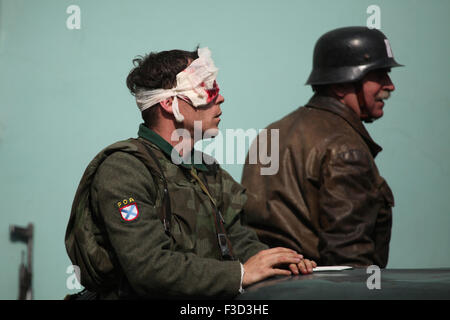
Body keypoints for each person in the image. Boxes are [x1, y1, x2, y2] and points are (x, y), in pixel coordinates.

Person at [65, 47, 316, 299]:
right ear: (168, 102)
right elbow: (149, 268)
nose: (220, 98)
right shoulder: (124, 170)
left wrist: (278, 263)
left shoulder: (208, 172)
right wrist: (239, 275)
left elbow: (238, 240)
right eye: (206, 89)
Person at [241, 27, 403, 268]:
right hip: (317, 287)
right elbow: (349, 259)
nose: (390, 86)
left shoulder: (271, 133)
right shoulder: (345, 147)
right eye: (378, 75)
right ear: (340, 85)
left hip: (262, 288)